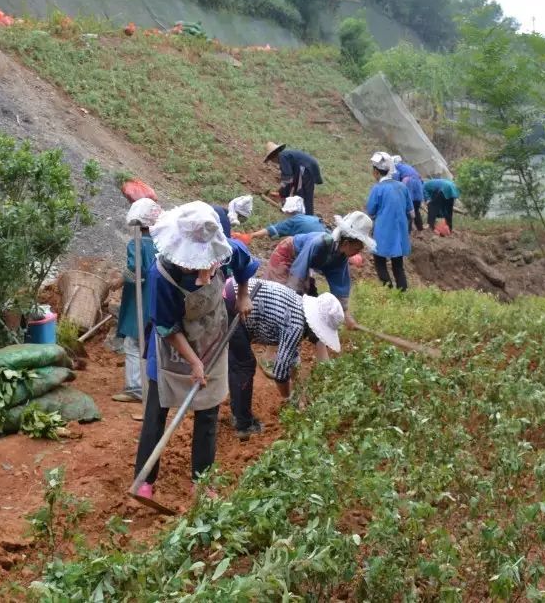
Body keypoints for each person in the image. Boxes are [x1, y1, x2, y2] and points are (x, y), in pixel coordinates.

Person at [133, 202, 256, 499]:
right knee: (156, 413)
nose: (198, 268)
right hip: (171, 349)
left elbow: (245, 265)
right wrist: (193, 362)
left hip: (211, 339)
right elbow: (167, 327)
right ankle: (144, 481)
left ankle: (202, 482)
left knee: (208, 414)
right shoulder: (162, 275)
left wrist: (243, 296)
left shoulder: (227, 252)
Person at [225, 278, 345, 429]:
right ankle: (242, 423)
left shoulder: (299, 307)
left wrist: (300, 392)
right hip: (233, 303)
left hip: (232, 292)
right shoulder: (296, 326)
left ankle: (238, 415)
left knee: (239, 360)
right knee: (244, 365)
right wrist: (289, 398)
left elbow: (292, 358)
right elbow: (280, 373)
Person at [113, 199, 160, 403]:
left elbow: (135, 271)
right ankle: (152, 383)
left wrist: (117, 281)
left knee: (133, 343)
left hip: (141, 300)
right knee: (153, 341)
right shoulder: (162, 244)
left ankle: (136, 388)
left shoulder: (137, 244)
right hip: (159, 299)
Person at [284, 211, 375, 317]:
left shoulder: (341, 257)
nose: (357, 253)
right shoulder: (321, 242)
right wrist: (293, 295)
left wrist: (345, 313)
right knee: (283, 297)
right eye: (356, 249)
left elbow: (340, 284)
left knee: (308, 301)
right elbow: (299, 271)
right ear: (346, 243)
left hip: (303, 265)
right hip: (287, 254)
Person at [366, 152, 412, 290]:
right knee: (398, 265)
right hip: (400, 231)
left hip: (383, 230)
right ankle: (402, 292)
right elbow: (410, 211)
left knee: (379, 261)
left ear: (376, 172)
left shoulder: (378, 188)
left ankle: (388, 290)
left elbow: (371, 210)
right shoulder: (402, 187)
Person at [263, 143, 323, 216]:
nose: (273, 162)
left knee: (301, 195)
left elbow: (287, 178)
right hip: (307, 168)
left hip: (305, 168)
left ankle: (306, 217)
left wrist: (281, 192)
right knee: (302, 194)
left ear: (273, 157)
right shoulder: (285, 156)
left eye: (271, 160)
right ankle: (306, 216)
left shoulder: (282, 157)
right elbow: (290, 180)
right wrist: (281, 193)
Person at [247, 195, 326, 243]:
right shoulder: (313, 218)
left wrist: (252, 235)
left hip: (314, 246)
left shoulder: (294, 220)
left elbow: (271, 230)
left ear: (289, 211)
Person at [392, 156, 426, 233]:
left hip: (409, 185)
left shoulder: (396, 168)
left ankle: (407, 231)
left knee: (407, 209)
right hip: (418, 187)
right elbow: (422, 181)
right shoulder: (409, 167)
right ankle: (420, 230)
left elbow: (395, 181)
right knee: (416, 210)